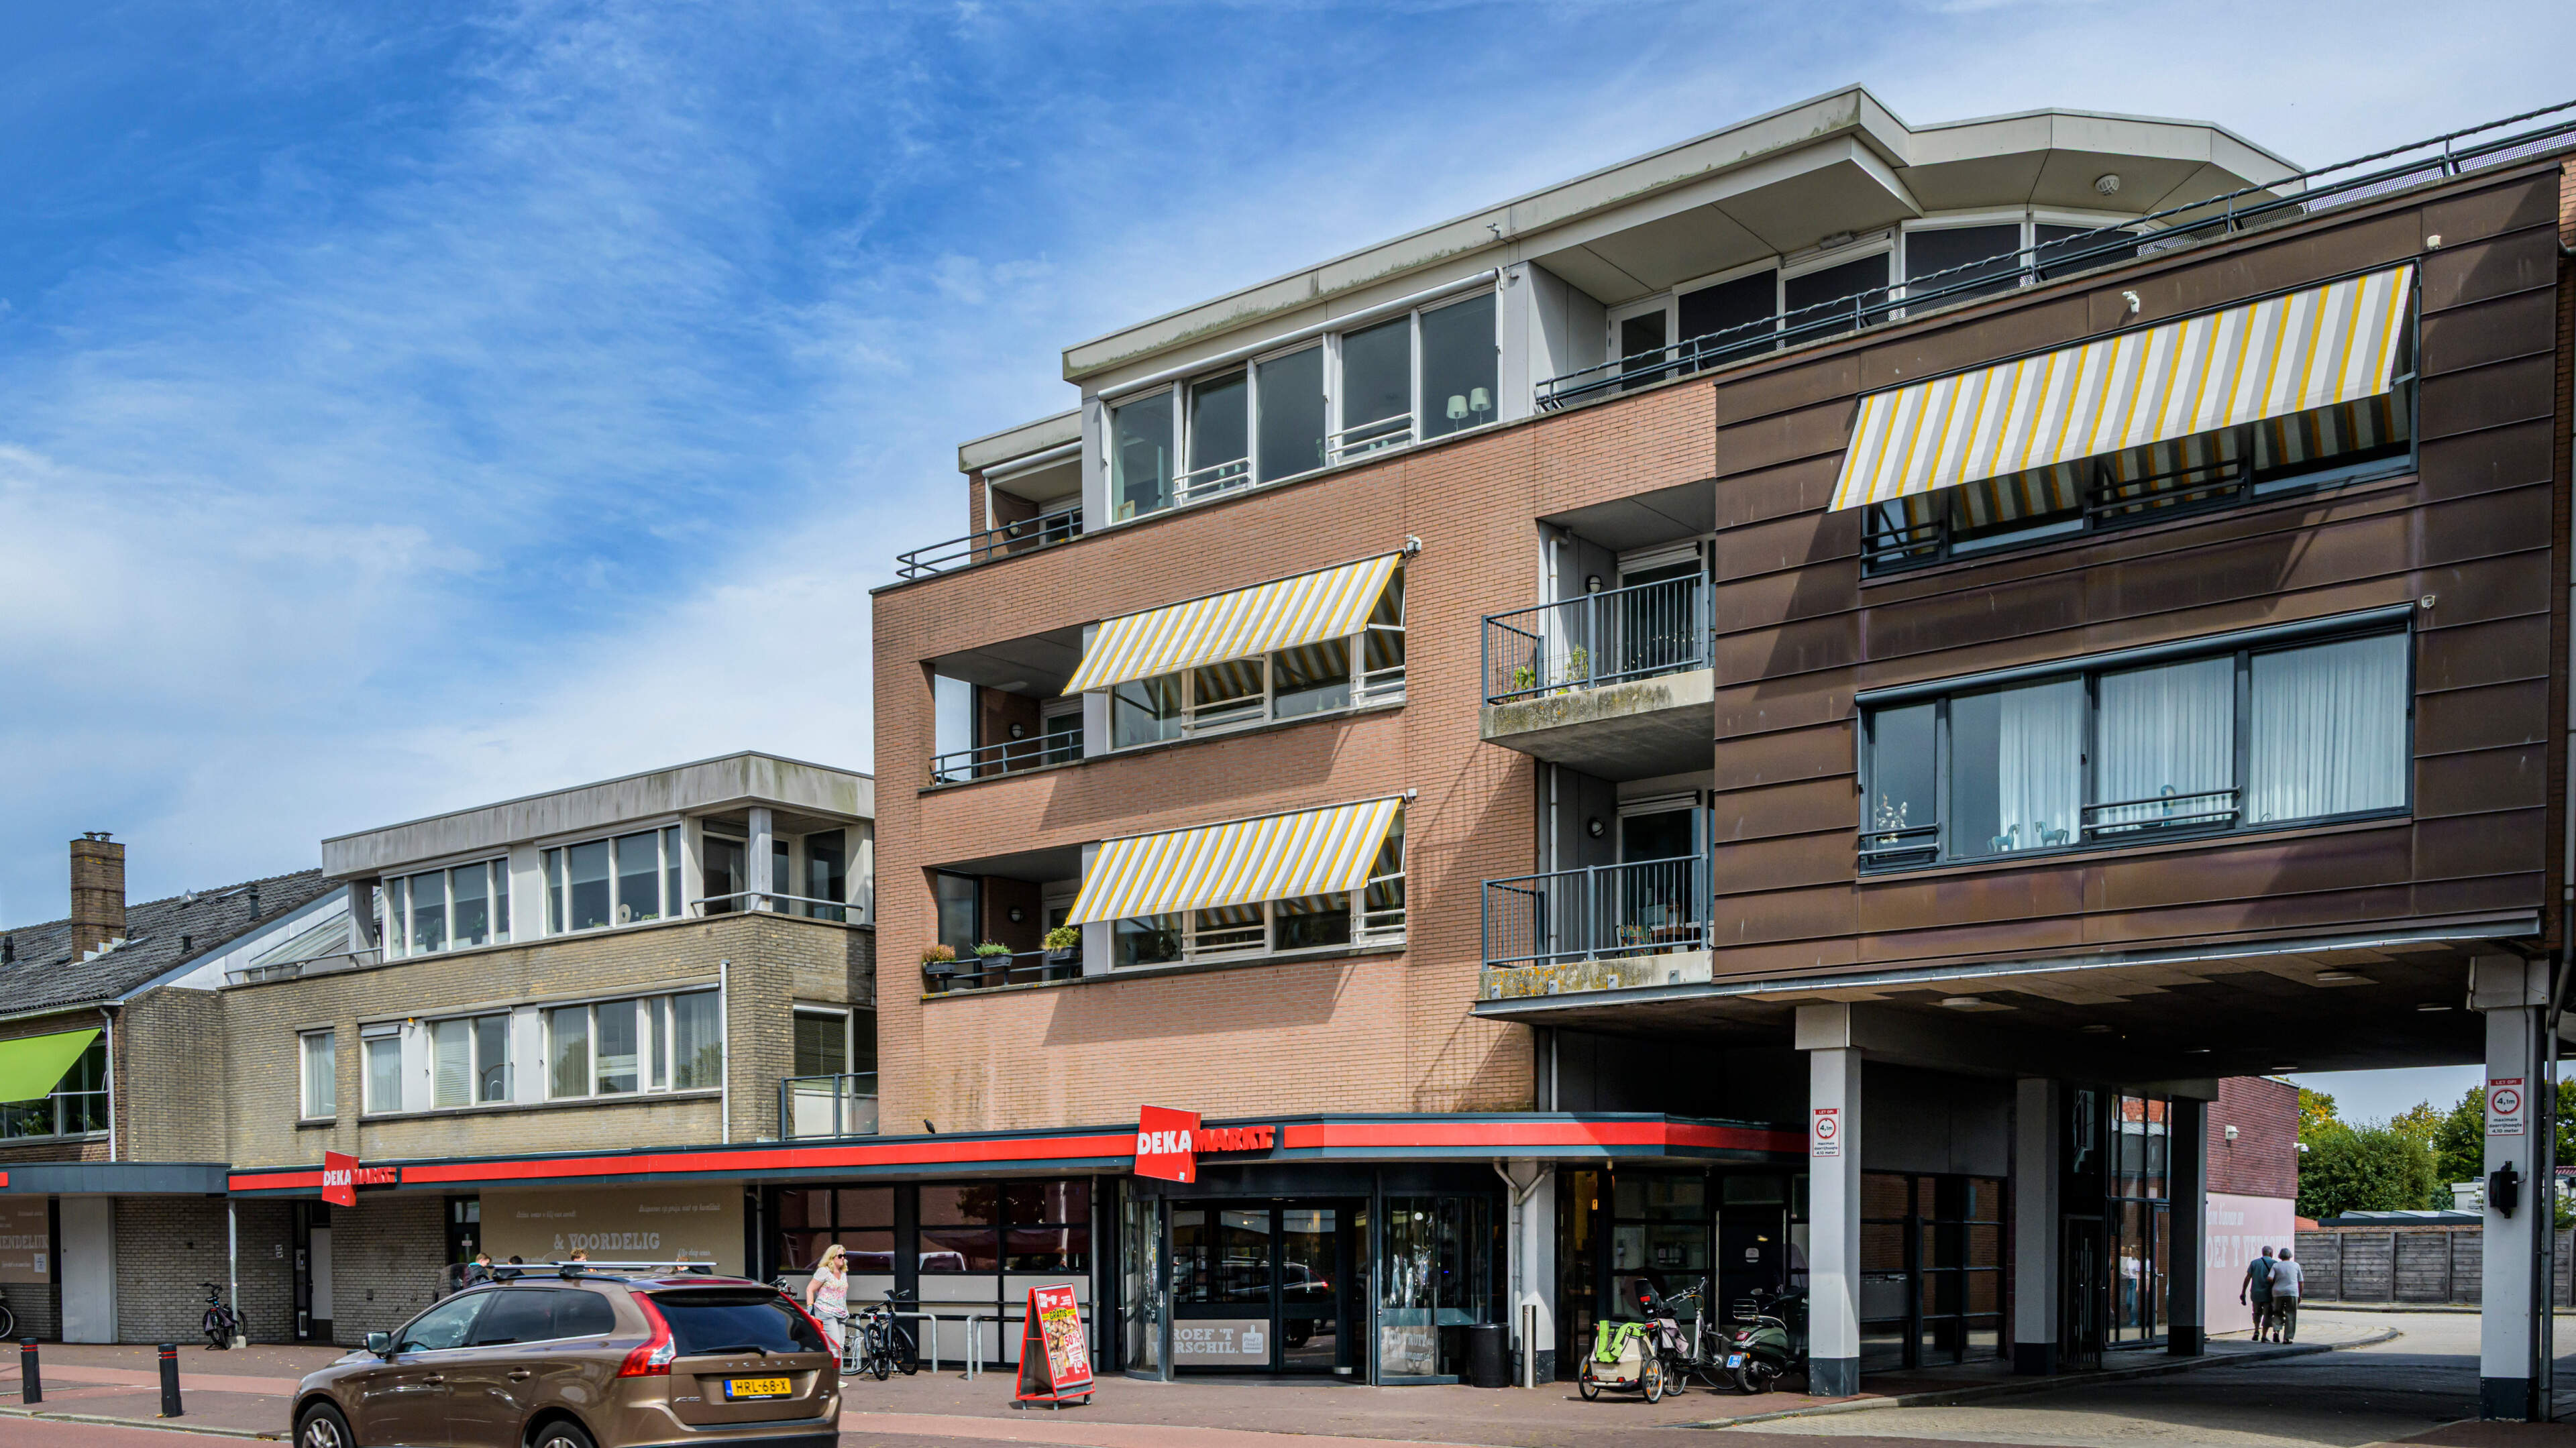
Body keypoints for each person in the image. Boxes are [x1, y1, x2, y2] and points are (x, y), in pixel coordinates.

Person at [805, 1244, 851, 1363]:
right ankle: (832, 1379)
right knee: (834, 1346)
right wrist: (810, 1310)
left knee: (840, 1347)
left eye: (844, 1256)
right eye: (840, 1256)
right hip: (826, 1312)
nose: (843, 1258)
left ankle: (838, 1378)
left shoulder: (843, 1272)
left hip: (842, 1313)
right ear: (831, 1257)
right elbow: (810, 1289)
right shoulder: (824, 1271)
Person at [2240, 1245, 2276, 1342]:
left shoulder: (2254, 1263)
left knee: (2257, 1313)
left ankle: (2256, 1330)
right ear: (2271, 1254)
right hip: (2268, 1294)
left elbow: (2248, 1277)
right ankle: (2264, 1335)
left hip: (2256, 1293)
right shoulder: (2275, 1264)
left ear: (2262, 1253)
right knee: (2267, 1314)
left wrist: (2243, 1291)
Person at [2269, 1247, 2302, 1343]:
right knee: (2291, 1314)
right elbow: (2301, 1281)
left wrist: (2276, 1282)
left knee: (2277, 1313)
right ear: (2290, 1256)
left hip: (2278, 1292)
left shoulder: (2276, 1265)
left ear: (2280, 1256)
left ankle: (2276, 1332)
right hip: (2292, 1292)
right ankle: (2287, 1338)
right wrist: (2300, 1295)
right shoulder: (2296, 1265)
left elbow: (2270, 1278)